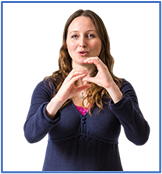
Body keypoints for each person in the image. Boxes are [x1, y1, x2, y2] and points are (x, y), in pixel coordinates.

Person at [23, 9, 151, 171]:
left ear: (103, 42)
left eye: (90, 35)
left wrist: (112, 88)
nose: (82, 43)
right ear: (66, 44)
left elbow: (140, 138)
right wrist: (58, 100)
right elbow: (31, 136)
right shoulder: (47, 86)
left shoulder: (121, 87)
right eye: (75, 36)